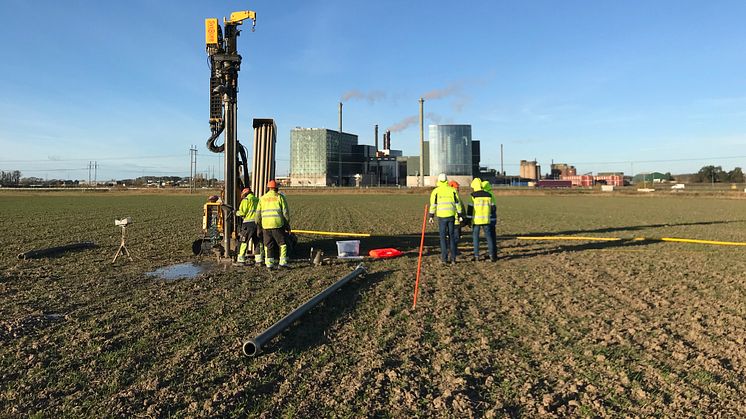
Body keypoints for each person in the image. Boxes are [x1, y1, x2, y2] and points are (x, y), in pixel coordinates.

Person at [256, 180, 291, 269]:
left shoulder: (262, 198)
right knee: (282, 244)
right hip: (277, 224)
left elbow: (258, 214)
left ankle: (269, 264)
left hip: (266, 225)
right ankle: (282, 263)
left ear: (269, 188)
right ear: (276, 188)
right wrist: (287, 223)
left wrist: (259, 224)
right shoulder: (280, 197)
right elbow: (285, 212)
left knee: (268, 245)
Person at [429, 173, 463, 265]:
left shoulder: (436, 191)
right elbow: (458, 204)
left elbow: (433, 205)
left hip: (441, 217)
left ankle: (444, 258)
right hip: (451, 216)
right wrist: (460, 215)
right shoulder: (452, 190)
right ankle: (453, 259)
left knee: (443, 238)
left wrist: (431, 216)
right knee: (451, 237)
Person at [470, 178, 496, 262]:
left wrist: (468, 220)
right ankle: (491, 256)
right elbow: (493, 208)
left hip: (476, 220)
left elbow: (470, 209)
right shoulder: (488, 195)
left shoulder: (473, 195)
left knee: (476, 238)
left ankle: (476, 256)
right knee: (489, 238)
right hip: (486, 220)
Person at [236, 187, 263, 265]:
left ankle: (241, 260)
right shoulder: (258, 200)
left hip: (247, 224)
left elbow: (242, 213)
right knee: (257, 242)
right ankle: (259, 261)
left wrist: (236, 213)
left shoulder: (246, 200)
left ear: (245, 194)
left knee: (243, 241)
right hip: (257, 224)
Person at [482, 180, 498, 261]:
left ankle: (492, 256)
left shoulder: (486, 195)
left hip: (488, 218)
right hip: (493, 218)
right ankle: (494, 254)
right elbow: (494, 207)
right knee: (493, 237)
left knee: (489, 237)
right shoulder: (492, 194)